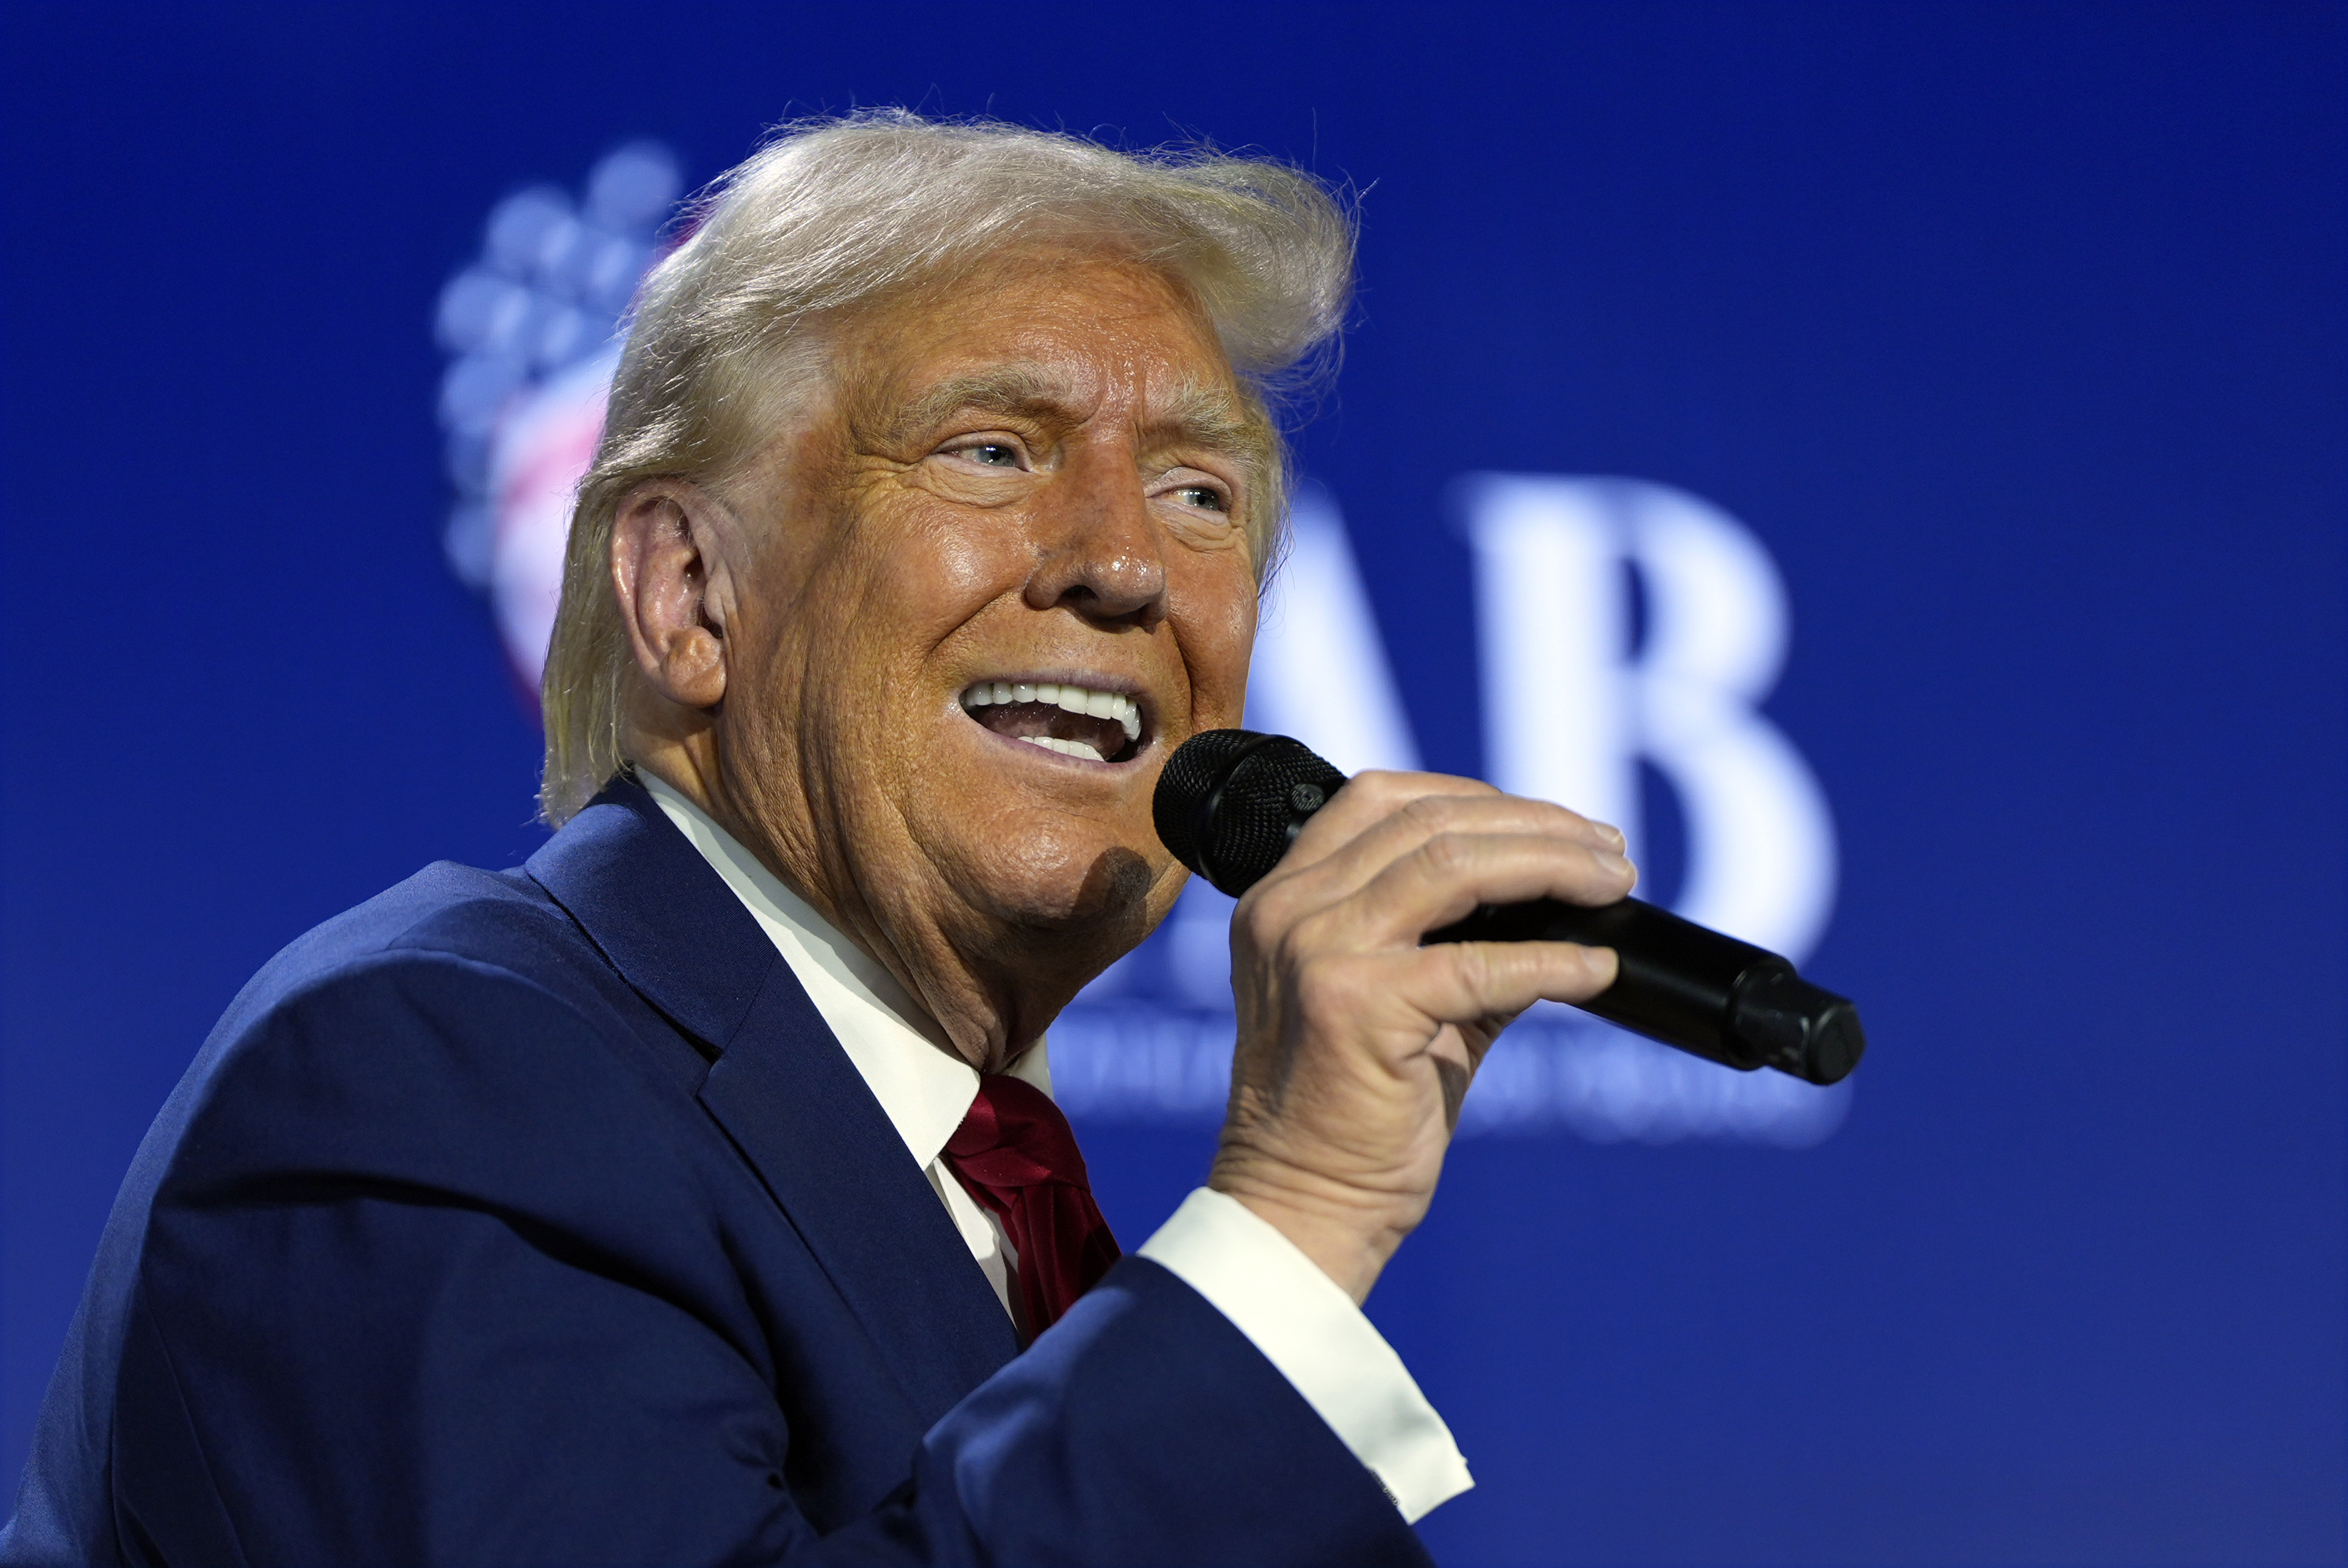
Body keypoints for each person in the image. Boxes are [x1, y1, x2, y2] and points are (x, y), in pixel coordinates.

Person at [0, 112, 1636, 1566]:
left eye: (1202, 492)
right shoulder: (429, 1078)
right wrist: (1294, 1212)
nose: (1126, 566)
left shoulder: (1020, 1242)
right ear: (688, 595)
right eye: (992, 450)